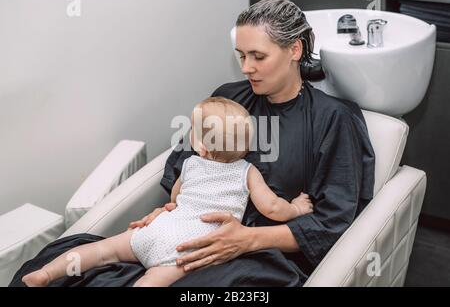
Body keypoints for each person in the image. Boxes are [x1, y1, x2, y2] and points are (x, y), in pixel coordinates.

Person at [10, 0, 374, 287]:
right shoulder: (229, 100)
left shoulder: (333, 119)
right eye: (241, 56)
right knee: (60, 259)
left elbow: (331, 223)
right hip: (183, 232)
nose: (246, 68)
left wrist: (247, 239)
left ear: (294, 50)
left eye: (258, 57)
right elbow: (186, 164)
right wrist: (171, 210)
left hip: (262, 256)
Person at [21, 97, 313, 287]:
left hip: (157, 230)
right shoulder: (247, 172)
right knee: (153, 281)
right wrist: (297, 208)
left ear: (200, 146)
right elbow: (273, 208)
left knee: (100, 251)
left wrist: (173, 206)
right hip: (188, 247)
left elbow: (175, 199)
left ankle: (47, 274)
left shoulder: (191, 164)